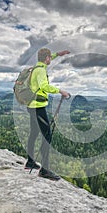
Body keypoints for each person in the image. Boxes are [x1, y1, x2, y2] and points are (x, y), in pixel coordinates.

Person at [25, 47, 70, 180]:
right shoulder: (40, 71)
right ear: (47, 58)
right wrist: (60, 91)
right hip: (38, 108)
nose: (51, 59)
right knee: (47, 135)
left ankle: (30, 162)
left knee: (34, 133)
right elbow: (44, 86)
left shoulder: (37, 67)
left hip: (32, 106)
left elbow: (49, 58)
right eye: (50, 57)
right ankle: (44, 170)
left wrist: (58, 54)